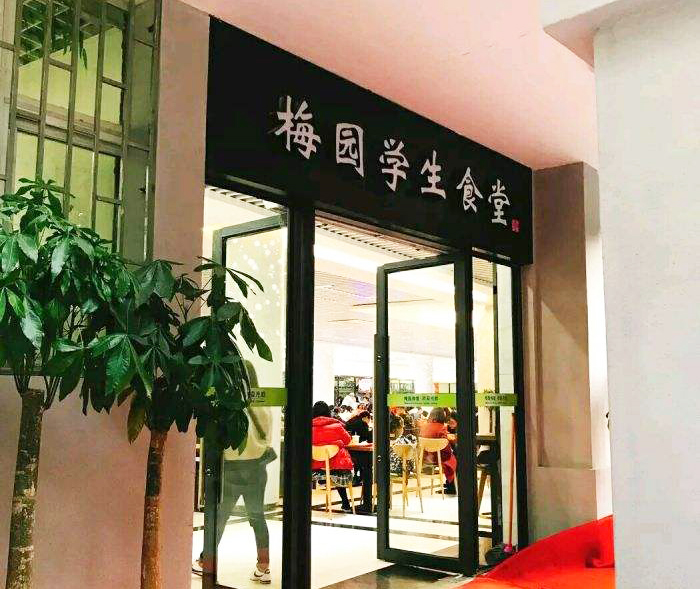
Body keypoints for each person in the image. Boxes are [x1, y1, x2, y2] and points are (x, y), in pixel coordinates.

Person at [196, 361, 275, 584]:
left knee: (220, 517)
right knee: (258, 517)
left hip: (231, 469)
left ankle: (206, 561)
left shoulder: (229, 405)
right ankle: (264, 566)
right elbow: (267, 438)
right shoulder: (263, 405)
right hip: (257, 469)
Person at [311, 401, 355, 513]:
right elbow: (348, 440)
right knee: (338, 471)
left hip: (315, 469)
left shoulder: (308, 428)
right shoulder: (337, 426)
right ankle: (345, 503)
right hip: (337, 467)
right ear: (328, 412)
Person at [420, 407, 458, 495]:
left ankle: (450, 484)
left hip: (426, 458)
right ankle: (452, 485)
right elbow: (446, 446)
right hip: (439, 458)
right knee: (457, 457)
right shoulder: (442, 428)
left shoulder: (424, 427)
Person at [344, 410, 375, 514]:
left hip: (347, 455)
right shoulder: (362, 423)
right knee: (367, 469)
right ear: (366, 417)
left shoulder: (349, 421)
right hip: (358, 454)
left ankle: (350, 501)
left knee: (364, 468)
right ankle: (367, 503)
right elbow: (369, 438)